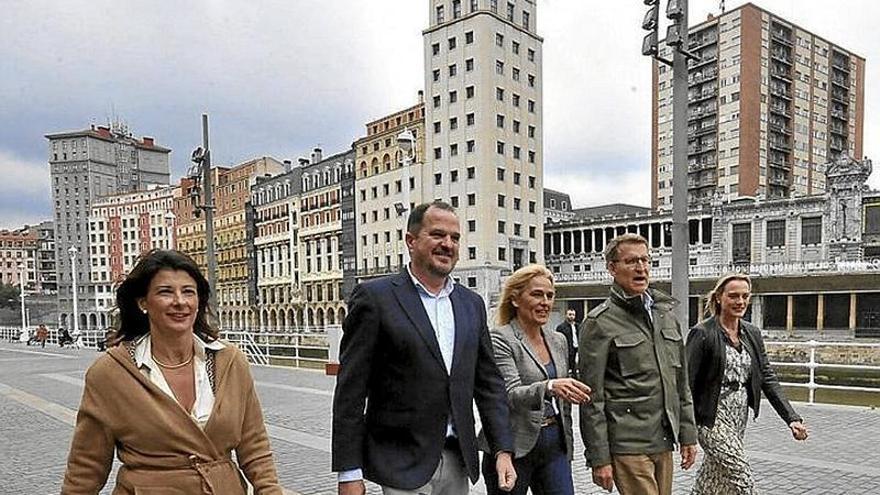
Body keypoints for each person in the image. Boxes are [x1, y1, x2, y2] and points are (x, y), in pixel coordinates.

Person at [332, 201, 516, 495]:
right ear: (411, 240)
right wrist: (349, 473)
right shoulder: (374, 298)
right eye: (438, 235)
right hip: (399, 462)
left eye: (455, 238)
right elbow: (350, 392)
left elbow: (489, 384)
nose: (448, 244)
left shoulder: (471, 305)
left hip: (458, 460)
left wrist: (503, 449)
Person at [62, 249, 283, 494]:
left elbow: (255, 447)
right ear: (143, 302)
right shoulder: (110, 373)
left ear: (199, 301)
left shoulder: (229, 361)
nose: (180, 301)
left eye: (188, 291)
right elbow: (86, 467)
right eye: (165, 292)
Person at [579, 233, 697, 495]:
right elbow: (592, 398)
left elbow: (681, 384)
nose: (641, 268)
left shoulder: (666, 316)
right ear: (612, 268)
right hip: (628, 443)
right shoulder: (599, 323)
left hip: (664, 439)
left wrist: (688, 434)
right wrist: (599, 458)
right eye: (631, 261)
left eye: (645, 260)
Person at [687, 273, 809, 494]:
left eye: (745, 296)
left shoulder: (751, 333)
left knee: (715, 475)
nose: (740, 302)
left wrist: (792, 418)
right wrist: (685, 432)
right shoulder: (702, 333)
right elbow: (687, 384)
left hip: (738, 414)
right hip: (710, 417)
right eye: (733, 296)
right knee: (741, 473)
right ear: (718, 298)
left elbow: (767, 377)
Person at [479, 264, 591, 495]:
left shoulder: (558, 340)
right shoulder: (500, 338)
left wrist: (567, 444)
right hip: (512, 446)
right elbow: (509, 394)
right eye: (537, 294)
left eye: (550, 296)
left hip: (553, 443)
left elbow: (565, 401)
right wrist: (549, 386)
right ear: (516, 299)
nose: (545, 302)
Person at [554, 308, 579, 378]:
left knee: (575, 367)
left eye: (573, 315)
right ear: (566, 315)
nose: (571, 316)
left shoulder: (577, 326)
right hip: (567, 349)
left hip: (576, 348)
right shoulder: (561, 327)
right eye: (570, 314)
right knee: (567, 366)